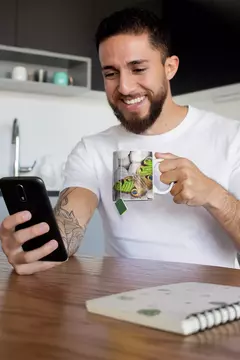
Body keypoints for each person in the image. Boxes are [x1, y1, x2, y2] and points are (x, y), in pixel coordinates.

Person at [0, 7, 240, 275]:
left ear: (170, 67)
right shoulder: (93, 150)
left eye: (138, 68)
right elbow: (71, 221)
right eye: (111, 73)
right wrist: (42, 247)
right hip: (120, 303)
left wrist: (215, 196)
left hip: (212, 309)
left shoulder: (231, 138)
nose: (124, 87)